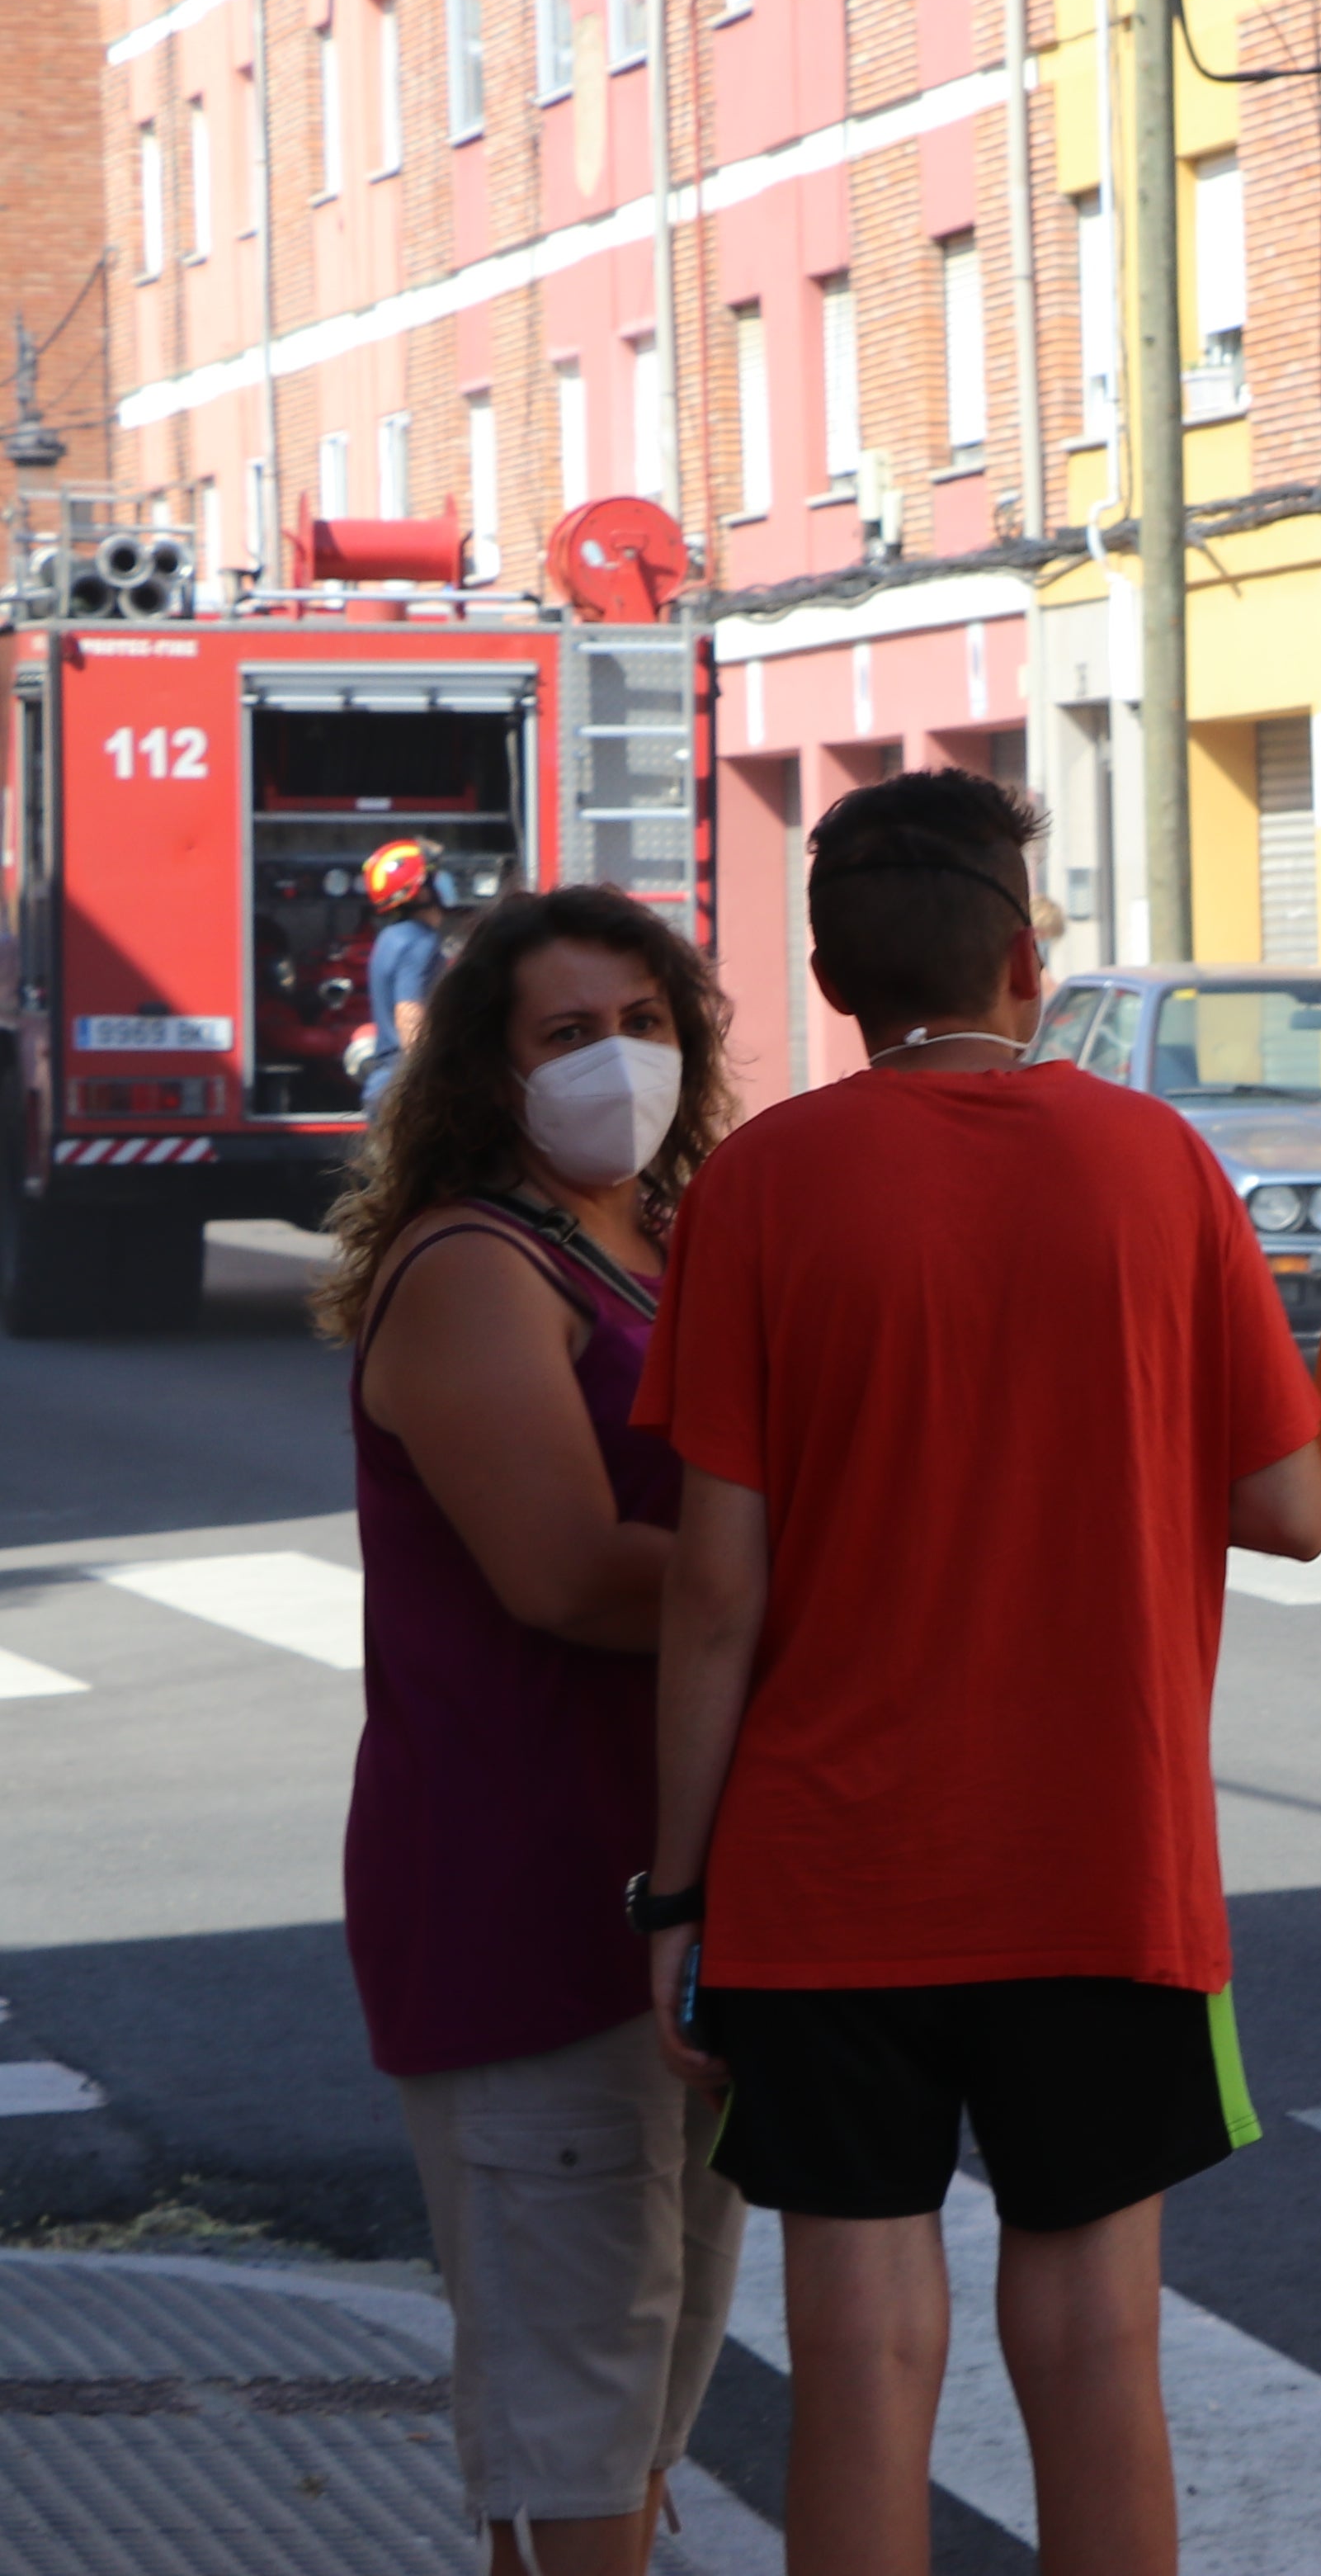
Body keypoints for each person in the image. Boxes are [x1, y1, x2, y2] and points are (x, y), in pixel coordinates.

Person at [636, 770, 1321, 2576]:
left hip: (825, 1872)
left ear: (832, 972)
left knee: (863, 2353)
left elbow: (717, 1587)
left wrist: (676, 1889)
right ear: (1027, 957)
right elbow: (1291, 1506)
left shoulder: (760, 1185)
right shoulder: (1159, 1163)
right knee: (1097, 2339)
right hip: (1099, 1857)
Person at [323, 885, 743, 2576]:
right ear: (492, 1077)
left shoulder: (659, 1235)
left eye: (647, 1022)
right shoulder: (475, 1266)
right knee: (580, 2400)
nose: (619, 1061)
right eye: (570, 1034)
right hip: (525, 1897)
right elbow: (567, 1572)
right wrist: (834, 1576)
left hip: (676, 1891)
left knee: (644, 2399)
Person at [358, 837, 449, 1108]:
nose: (444, 883)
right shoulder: (420, 942)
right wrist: (435, 1083)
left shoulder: (391, 938)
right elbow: (409, 1015)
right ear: (420, 892)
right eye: (433, 877)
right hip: (407, 1088)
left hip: (385, 1084)